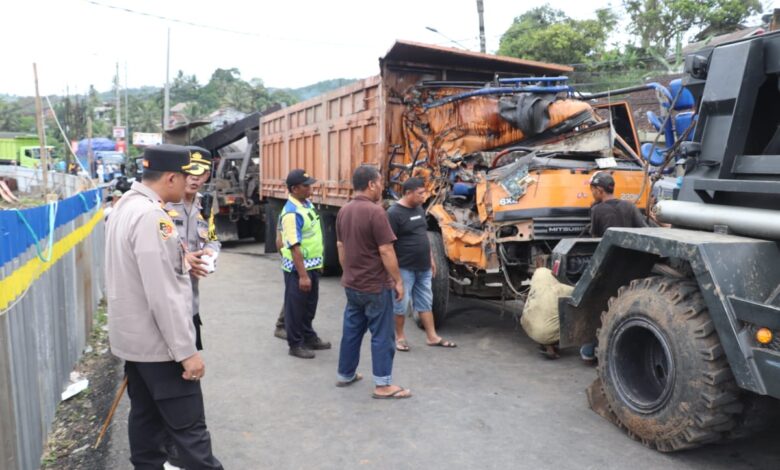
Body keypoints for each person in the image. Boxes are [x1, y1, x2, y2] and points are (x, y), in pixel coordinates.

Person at [105, 144, 222, 469]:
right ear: (171, 177)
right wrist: (187, 352)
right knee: (191, 434)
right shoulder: (154, 217)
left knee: (146, 426)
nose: (190, 184)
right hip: (162, 348)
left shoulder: (125, 207)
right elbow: (164, 294)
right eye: (186, 177)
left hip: (135, 344)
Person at [335, 165, 411, 399]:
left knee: (352, 330)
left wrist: (348, 272)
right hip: (376, 286)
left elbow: (341, 246)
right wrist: (398, 281)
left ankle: (345, 374)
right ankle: (383, 385)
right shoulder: (376, 212)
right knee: (382, 335)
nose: (382, 186)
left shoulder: (344, 211)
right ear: (370, 184)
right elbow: (386, 250)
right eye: (379, 182)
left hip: (353, 284)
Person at [580, 171, 649, 363]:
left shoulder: (597, 211)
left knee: (600, 306)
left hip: (609, 267)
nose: (591, 193)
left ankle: (589, 350)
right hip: (635, 266)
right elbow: (645, 231)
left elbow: (596, 240)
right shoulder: (629, 206)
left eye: (592, 190)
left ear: (599, 190)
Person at [387, 177, 456, 351]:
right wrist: (394, 276)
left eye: (424, 193)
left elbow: (423, 234)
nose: (424, 196)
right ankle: (400, 337)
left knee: (425, 302)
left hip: (423, 266)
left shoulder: (419, 208)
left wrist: (431, 258)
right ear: (408, 193)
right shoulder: (394, 213)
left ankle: (432, 337)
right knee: (400, 305)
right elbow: (388, 245)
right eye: (420, 193)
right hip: (404, 268)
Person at [165, 146, 220, 351]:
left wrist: (211, 254)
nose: (194, 179)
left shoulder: (204, 206)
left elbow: (213, 238)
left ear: (206, 175)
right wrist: (185, 260)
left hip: (192, 301)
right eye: (189, 173)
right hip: (168, 303)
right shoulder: (164, 206)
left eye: (200, 174)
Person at [280, 169, 331, 359]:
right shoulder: (291, 213)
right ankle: (295, 344)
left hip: (312, 266)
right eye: (306, 185)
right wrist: (302, 275)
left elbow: (315, 238)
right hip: (297, 270)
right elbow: (294, 247)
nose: (310, 187)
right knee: (296, 308)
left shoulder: (306, 204)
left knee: (310, 306)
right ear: (294, 189)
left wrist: (319, 263)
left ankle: (308, 336)